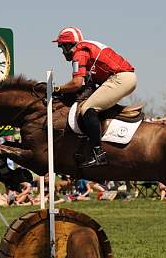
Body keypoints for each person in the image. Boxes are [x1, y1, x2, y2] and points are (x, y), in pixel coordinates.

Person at [52, 26, 136, 167]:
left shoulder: (79, 54)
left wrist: (57, 88)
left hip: (120, 78)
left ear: (68, 45)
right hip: (123, 77)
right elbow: (87, 86)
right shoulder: (85, 51)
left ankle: (98, 153)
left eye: (62, 47)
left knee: (87, 108)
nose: (62, 52)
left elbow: (76, 83)